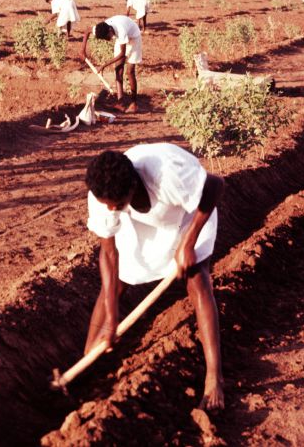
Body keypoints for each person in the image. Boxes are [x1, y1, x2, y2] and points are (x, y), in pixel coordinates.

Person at [84, 144, 225, 410]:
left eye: (117, 203)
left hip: (188, 213)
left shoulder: (167, 174)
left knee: (197, 278)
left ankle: (214, 377)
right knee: (116, 282)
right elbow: (109, 255)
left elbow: (215, 185)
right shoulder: (103, 195)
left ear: (132, 187)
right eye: (108, 205)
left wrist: (187, 244)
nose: (111, 209)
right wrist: (113, 319)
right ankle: (88, 362)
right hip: (142, 223)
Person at [81, 15, 143, 113]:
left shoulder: (121, 31)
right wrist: (82, 50)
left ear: (110, 31)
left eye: (107, 37)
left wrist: (103, 65)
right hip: (121, 38)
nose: (107, 40)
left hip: (134, 37)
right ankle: (120, 102)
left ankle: (134, 104)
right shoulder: (101, 28)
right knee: (118, 69)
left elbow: (122, 54)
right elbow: (87, 30)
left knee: (130, 72)